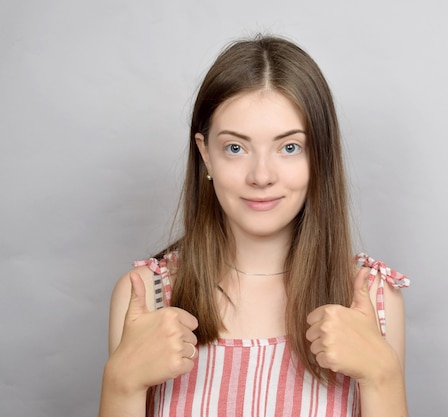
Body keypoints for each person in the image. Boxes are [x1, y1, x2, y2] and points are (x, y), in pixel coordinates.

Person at [99, 34, 411, 417]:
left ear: (320, 157)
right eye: (235, 147)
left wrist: (382, 376)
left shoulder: (374, 299)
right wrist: (121, 383)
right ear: (205, 155)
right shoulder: (144, 297)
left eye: (289, 147)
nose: (261, 176)